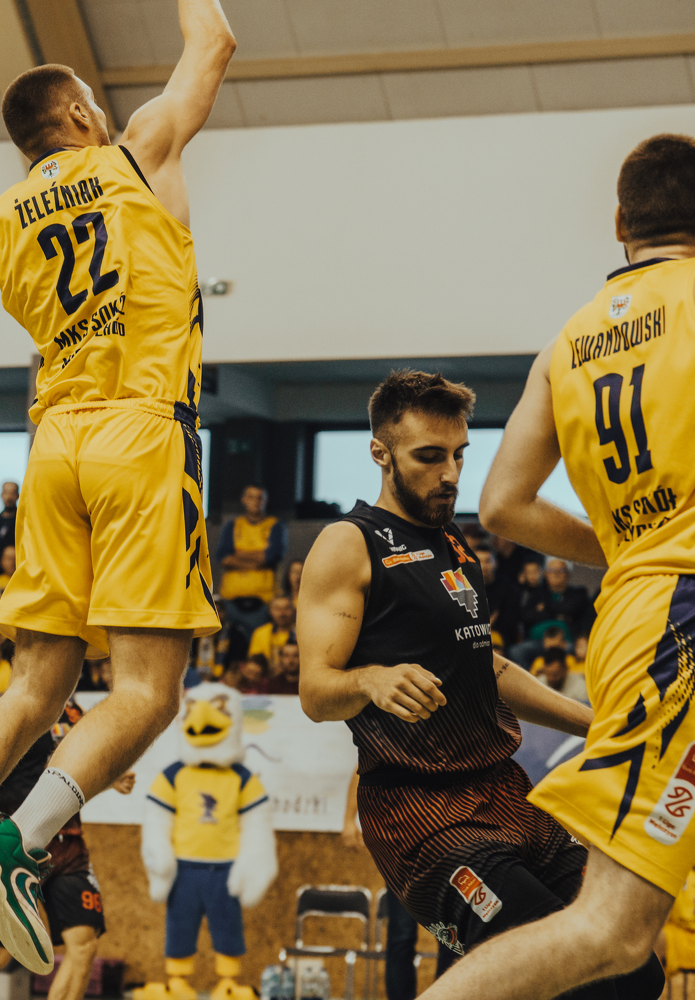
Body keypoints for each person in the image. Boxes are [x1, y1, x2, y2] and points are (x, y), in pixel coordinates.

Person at [0, 9, 235, 990]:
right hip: (140, 431)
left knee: (35, 686)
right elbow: (215, 43)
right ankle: (21, 840)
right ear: (76, 112)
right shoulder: (135, 153)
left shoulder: (1, 219)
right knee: (148, 690)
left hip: (54, 444)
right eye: (92, 103)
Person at [416, 135, 695, 1000]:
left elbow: (503, 504)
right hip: (683, 622)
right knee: (613, 930)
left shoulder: (568, 344)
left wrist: (632, 544)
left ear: (619, 224)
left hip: (636, 613)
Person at [296, 371, 662, 1000]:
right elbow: (316, 691)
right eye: (429, 457)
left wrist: (594, 723)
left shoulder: (454, 540)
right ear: (380, 452)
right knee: (562, 978)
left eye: (459, 455)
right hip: (424, 818)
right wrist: (371, 679)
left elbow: (484, 666)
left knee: (633, 971)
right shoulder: (347, 544)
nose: (451, 474)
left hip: (508, 798)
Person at [0, 698, 130, 1000]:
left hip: (69, 847)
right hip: (16, 847)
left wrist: (109, 779)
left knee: (84, 946)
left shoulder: (75, 711)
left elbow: (77, 767)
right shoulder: (15, 707)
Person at [342, 774, 421, 1000]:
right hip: (403, 843)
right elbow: (363, 767)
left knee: (452, 936)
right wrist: (349, 819)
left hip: (450, 840)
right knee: (402, 933)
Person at [215, 485, 289, 636]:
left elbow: (271, 556)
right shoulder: (232, 526)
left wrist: (238, 554)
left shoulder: (276, 526)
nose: (255, 501)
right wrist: (259, 559)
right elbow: (223, 558)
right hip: (230, 601)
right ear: (243, 499)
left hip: (263, 602)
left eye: (259, 498)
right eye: (251, 497)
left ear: (266, 501)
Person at [244, 594, 293, 664]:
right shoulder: (260, 633)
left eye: (286, 608)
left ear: (293, 610)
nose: (282, 613)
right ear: (270, 611)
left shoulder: (300, 633)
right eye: (277, 609)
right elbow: (254, 661)